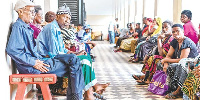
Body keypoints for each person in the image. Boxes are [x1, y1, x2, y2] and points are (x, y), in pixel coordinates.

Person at [6, 0, 85, 100]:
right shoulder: (18, 27)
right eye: (30, 12)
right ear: (21, 12)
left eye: (33, 12)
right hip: (31, 67)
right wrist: (33, 62)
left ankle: (75, 97)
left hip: (38, 63)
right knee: (74, 61)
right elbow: (12, 50)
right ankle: (77, 97)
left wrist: (37, 60)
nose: (33, 15)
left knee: (74, 65)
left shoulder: (26, 27)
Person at [37, 4, 108, 99]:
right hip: (47, 62)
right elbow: (54, 53)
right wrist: (75, 56)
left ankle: (89, 91)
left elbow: (62, 50)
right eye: (65, 17)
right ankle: (89, 93)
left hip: (55, 59)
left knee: (86, 57)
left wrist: (76, 53)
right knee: (82, 62)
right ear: (57, 16)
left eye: (69, 18)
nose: (67, 20)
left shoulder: (57, 28)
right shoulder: (51, 28)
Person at [160, 24, 198, 99]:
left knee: (177, 65)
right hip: (181, 62)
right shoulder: (174, 41)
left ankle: (178, 90)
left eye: (177, 31)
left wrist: (166, 60)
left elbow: (182, 59)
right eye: (173, 32)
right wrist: (165, 63)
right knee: (160, 63)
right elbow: (169, 55)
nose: (175, 33)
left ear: (183, 31)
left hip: (191, 63)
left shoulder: (186, 42)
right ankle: (168, 87)